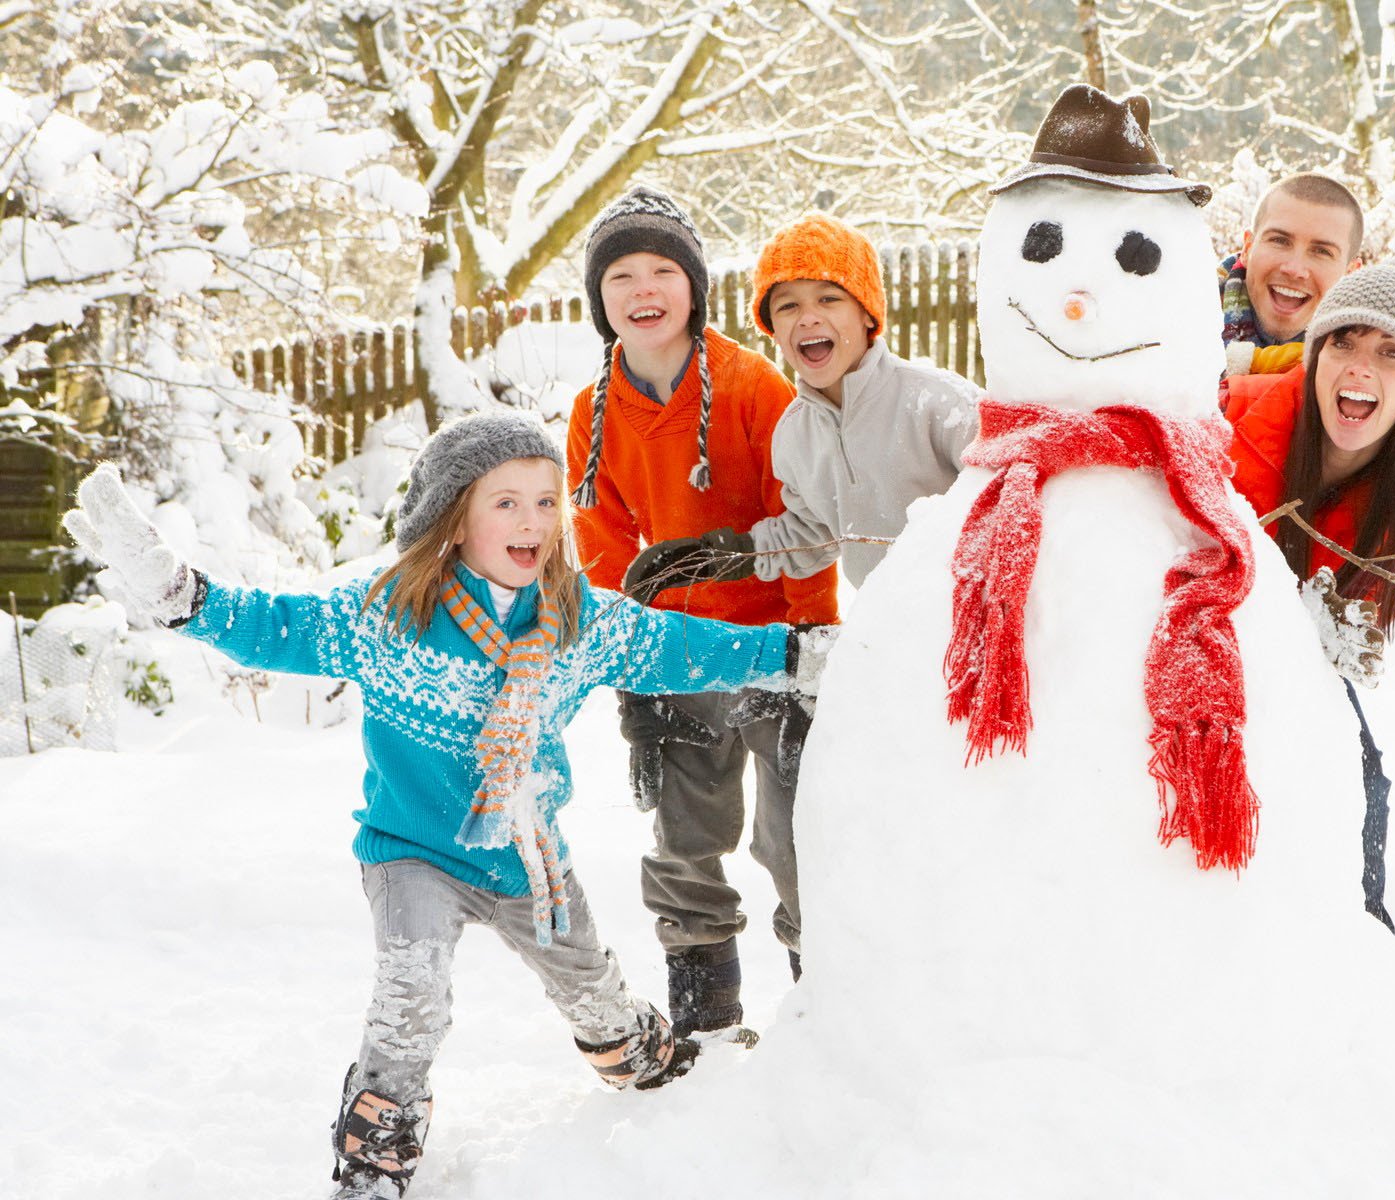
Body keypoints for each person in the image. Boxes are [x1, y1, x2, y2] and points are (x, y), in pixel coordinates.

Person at [61, 412, 833, 1200]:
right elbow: (276, 628)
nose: (532, 520)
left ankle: (633, 1050)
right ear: (453, 519)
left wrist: (790, 653)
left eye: (545, 501)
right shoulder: (387, 617)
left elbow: (679, 646)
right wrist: (183, 597)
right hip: (413, 849)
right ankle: (376, 1155)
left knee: (588, 988)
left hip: (525, 852)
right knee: (410, 994)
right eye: (506, 503)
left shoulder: (579, 622)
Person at [565, 185, 836, 1040]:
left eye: (661, 271)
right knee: (687, 838)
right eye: (620, 277)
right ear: (600, 300)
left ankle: (822, 1007)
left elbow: (802, 516)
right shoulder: (594, 412)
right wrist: (629, 659)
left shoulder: (754, 387)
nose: (642, 290)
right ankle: (707, 1017)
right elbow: (602, 540)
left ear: (692, 286)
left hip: (769, 645)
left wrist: (809, 643)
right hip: (674, 654)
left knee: (797, 838)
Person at [1221, 259, 1395, 931]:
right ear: (1317, 353)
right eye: (1345, 341)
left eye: (1391, 352)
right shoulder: (1229, 423)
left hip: (1298, 655)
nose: (1361, 366)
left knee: (1361, 782)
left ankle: (1356, 943)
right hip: (1196, 641)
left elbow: (1352, 633)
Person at [624, 210, 979, 597]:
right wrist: (721, 555)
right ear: (772, 330)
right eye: (788, 306)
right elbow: (811, 532)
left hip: (975, 615)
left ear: (866, 313)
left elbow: (1015, 492)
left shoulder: (939, 404)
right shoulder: (794, 434)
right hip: (887, 626)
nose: (808, 318)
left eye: (829, 298)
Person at [1220, 172, 1365, 378]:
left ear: (1351, 275)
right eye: (1279, 240)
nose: (1295, 269)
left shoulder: (1362, 377)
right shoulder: (1174, 329)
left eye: (1322, 251)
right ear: (1248, 248)